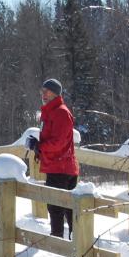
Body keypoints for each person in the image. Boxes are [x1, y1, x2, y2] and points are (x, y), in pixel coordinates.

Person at [28, 78, 79, 238]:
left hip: (61, 168)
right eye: (42, 91)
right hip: (57, 166)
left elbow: (59, 143)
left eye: (46, 90)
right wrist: (37, 145)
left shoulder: (61, 112)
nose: (43, 94)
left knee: (57, 207)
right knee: (67, 207)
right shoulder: (49, 112)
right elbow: (54, 140)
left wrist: (40, 147)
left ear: (55, 93)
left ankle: (59, 243)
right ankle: (74, 241)